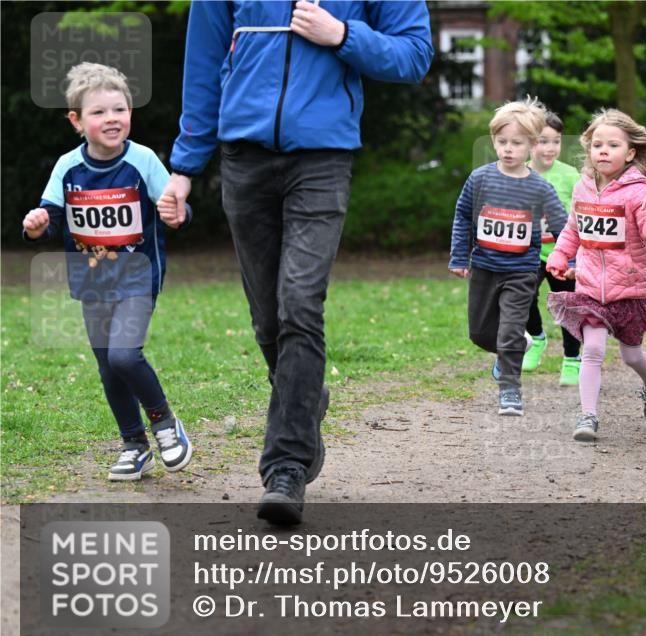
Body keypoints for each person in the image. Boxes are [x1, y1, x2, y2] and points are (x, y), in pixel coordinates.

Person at [161, 0, 433, 525]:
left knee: (299, 304)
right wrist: (185, 165)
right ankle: (305, 398)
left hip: (323, 159)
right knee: (268, 319)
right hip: (244, 159)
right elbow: (202, 63)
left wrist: (342, 35)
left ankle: (285, 468)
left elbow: (414, 56)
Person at [22, 62, 193, 482]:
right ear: (77, 121)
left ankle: (165, 423)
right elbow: (52, 215)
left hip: (137, 276)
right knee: (107, 366)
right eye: (99, 112)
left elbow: (174, 206)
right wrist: (38, 224)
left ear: (131, 113)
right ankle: (134, 446)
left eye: (119, 109)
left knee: (124, 355)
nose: (112, 118)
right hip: (91, 282)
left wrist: (177, 214)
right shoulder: (67, 167)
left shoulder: (143, 160)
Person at [546, 109, 646, 442]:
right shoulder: (583, 187)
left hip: (626, 288)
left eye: (612, 145)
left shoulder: (637, 190)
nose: (603, 150)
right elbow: (574, 228)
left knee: (632, 355)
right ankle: (588, 416)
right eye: (597, 144)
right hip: (588, 287)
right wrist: (559, 254)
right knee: (594, 349)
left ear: (630, 153)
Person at [449, 99, 568, 416]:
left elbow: (563, 227)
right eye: (502, 142)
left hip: (521, 272)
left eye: (516, 143)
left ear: (532, 145)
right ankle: (518, 345)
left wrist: (570, 260)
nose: (508, 149)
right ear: (493, 141)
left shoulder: (540, 188)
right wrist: (460, 257)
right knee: (479, 333)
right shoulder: (480, 179)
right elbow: (463, 216)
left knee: (510, 330)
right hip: (484, 268)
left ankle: (510, 392)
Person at [523, 111, 582, 385]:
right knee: (521, 298)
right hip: (528, 254)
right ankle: (536, 339)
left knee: (567, 307)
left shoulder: (570, 176)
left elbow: (581, 214)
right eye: (542, 141)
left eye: (555, 141)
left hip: (564, 256)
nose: (549, 148)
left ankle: (572, 359)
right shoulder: (518, 173)